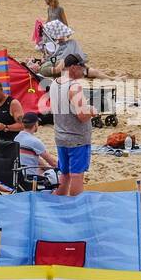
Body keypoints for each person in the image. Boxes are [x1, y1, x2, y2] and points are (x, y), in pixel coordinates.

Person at [52, 54, 97, 196]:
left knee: (64, 175)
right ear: (73, 67)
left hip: (60, 136)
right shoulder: (74, 86)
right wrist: (92, 110)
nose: (84, 70)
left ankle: (58, 205)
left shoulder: (54, 83)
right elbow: (82, 116)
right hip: (76, 138)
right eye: (81, 66)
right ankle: (76, 208)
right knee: (77, 175)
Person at [16, 112, 58, 189]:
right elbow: (53, 162)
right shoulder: (35, 142)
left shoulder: (17, 138)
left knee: (42, 169)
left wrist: (46, 168)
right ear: (35, 124)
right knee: (58, 176)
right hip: (29, 180)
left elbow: (36, 159)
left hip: (17, 178)